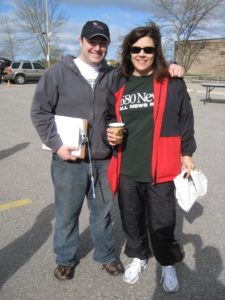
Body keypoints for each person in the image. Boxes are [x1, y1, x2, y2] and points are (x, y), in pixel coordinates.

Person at [30, 20, 185, 281]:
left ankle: (105, 255)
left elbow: (145, 72)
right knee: (67, 214)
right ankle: (65, 259)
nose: (97, 47)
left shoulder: (113, 75)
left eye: (102, 42)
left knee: (102, 213)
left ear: (108, 46)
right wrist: (57, 146)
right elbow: (40, 112)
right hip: (69, 159)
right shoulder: (57, 73)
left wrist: (169, 66)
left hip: (103, 160)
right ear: (81, 41)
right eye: (92, 41)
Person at [106, 22, 196, 293]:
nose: (142, 54)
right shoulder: (118, 81)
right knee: (131, 219)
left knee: (162, 221)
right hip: (127, 167)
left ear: (156, 51)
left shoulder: (171, 82)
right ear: (128, 52)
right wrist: (109, 135)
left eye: (148, 49)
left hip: (162, 167)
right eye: (136, 49)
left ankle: (167, 262)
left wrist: (188, 152)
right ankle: (139, 255)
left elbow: (185, 119)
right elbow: (109, 117)